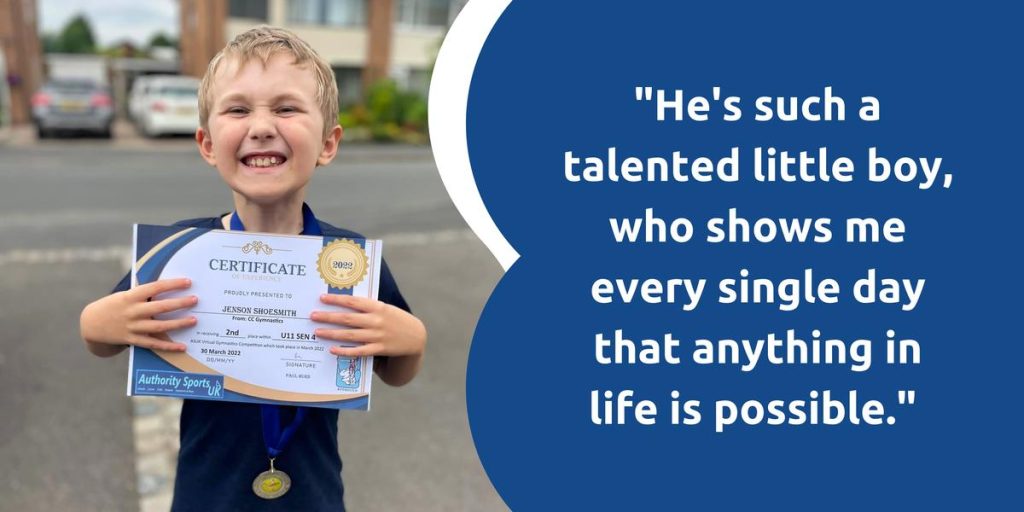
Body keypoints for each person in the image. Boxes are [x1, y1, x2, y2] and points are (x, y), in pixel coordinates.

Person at [78, 26, 427, 511]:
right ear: (207, 144)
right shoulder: (179, 252)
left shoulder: (349, 261)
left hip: (314, 498)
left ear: (328, 143)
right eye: (238, 110)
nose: (261, 126)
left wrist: (413, 341)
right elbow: (101, 339)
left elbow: (394, 372)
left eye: (286, 108)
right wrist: (97, 323)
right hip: (206, 499)